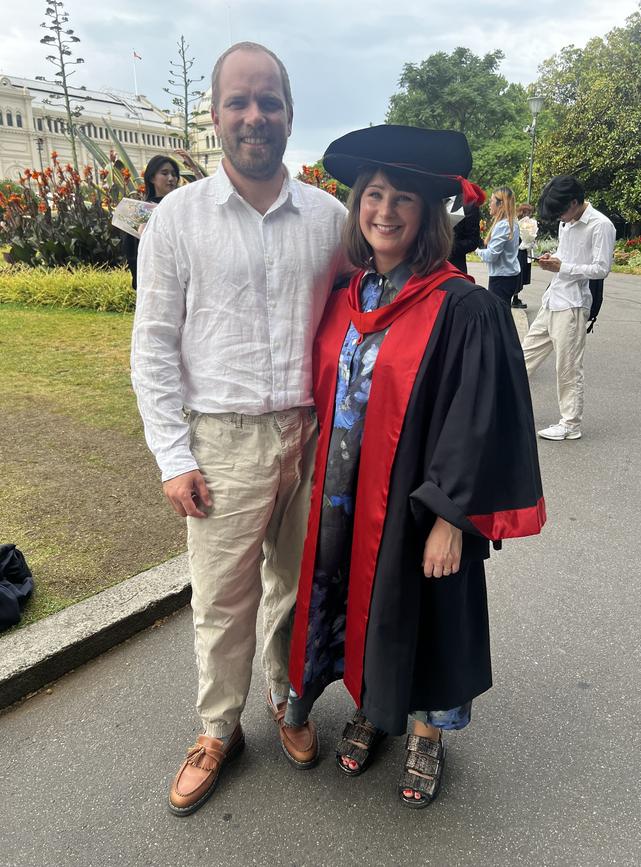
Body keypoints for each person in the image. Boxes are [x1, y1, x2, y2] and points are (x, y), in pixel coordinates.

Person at [283, 125, 545, 809]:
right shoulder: (351, 294)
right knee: (367, 606)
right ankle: (376, 707)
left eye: (404, 198)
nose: (385, 210)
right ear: (357, 206)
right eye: (373, 194)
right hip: (348, 497)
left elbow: (478, 421)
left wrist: (452, 518)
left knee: (426, 613)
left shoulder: (464, 308)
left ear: (429, 215)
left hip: (421, 505)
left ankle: (426, 732)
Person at [130, 42, 348, 816]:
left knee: (294, 583)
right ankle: (217, 728)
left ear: (290, 113)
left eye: (270, 101)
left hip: (311, 432)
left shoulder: (331, 219)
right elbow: (152, 343)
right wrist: (171, 455)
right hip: (221, 440)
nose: (255, 116)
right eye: (239, 102)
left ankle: (284, 696)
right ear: (215, 114)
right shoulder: (179, 220)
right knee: (223, 599)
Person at [522, 175, 616, 441]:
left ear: (575, 202)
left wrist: (563, 266)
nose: (561, 219)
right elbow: (566, 254)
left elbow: (601, 269)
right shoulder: (568, 223)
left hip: (573, 305)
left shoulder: (601, 225)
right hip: (553, 299)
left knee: (567, 367)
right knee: (523, 357)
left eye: (562, 212)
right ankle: (504, 406)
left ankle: (571, 424)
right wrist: (554, 259)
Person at [122, 155, 180, 289]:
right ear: (152, 177)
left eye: (174, 174)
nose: (171, 178)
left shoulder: (182, 207)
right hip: (154, 282)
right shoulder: (141, 211)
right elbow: (131, 251)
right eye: (164, 173)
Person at [476, 186, 520, 305]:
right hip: (509, 277)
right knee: (504, 314)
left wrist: (477, 251)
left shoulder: (502, 226)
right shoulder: (512, 224)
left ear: (500, 204)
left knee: (499, 317)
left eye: (491, 201)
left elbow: (491, 256)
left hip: (501, 279)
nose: (489, 204)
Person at [511, 202, 538, 309]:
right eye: (528, 212)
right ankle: (514, 298)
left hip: (523, 252)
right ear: (523, 212)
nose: (530, 215)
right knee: (518, 275)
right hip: (519, 252)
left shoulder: (521, 223)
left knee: (520, 275)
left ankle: (515, 298)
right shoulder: (517, 223)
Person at [447, 193, 481, 273]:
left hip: (454, 269)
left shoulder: (467, 204)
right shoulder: (430, 198)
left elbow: (473, 241)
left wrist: (446, 247)